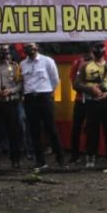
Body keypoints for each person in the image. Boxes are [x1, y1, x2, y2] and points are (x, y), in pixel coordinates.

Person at [74, 42, 107, 169]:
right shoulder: (85, 66)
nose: (99, 51)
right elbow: (76, 84)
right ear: (92, 51)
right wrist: (91, 89)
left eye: (101, 48)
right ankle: (90, 157)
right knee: (91, 130)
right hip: (91, 102)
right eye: (96, 49)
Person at [20, 42, 65, 171]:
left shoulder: (47, 61)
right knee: (34, 131)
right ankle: (40, 161)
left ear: (37, 47)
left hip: (44, 97)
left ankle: (60, 158)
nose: (29, 49)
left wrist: (48, 92)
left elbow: (55, 79)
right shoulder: (22, 64)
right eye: (27, 47)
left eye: (31, 46)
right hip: (29, 99)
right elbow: (23, 81)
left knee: (51, 129)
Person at [67, 49, 89, 164]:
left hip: (93, 100)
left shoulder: (100, 63)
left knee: (91, 128)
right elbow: (73, 81)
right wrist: (84, 89)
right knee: (76, 128)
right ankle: (74, 154)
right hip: (80, 99)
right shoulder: (78, 62)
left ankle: (90, 153)